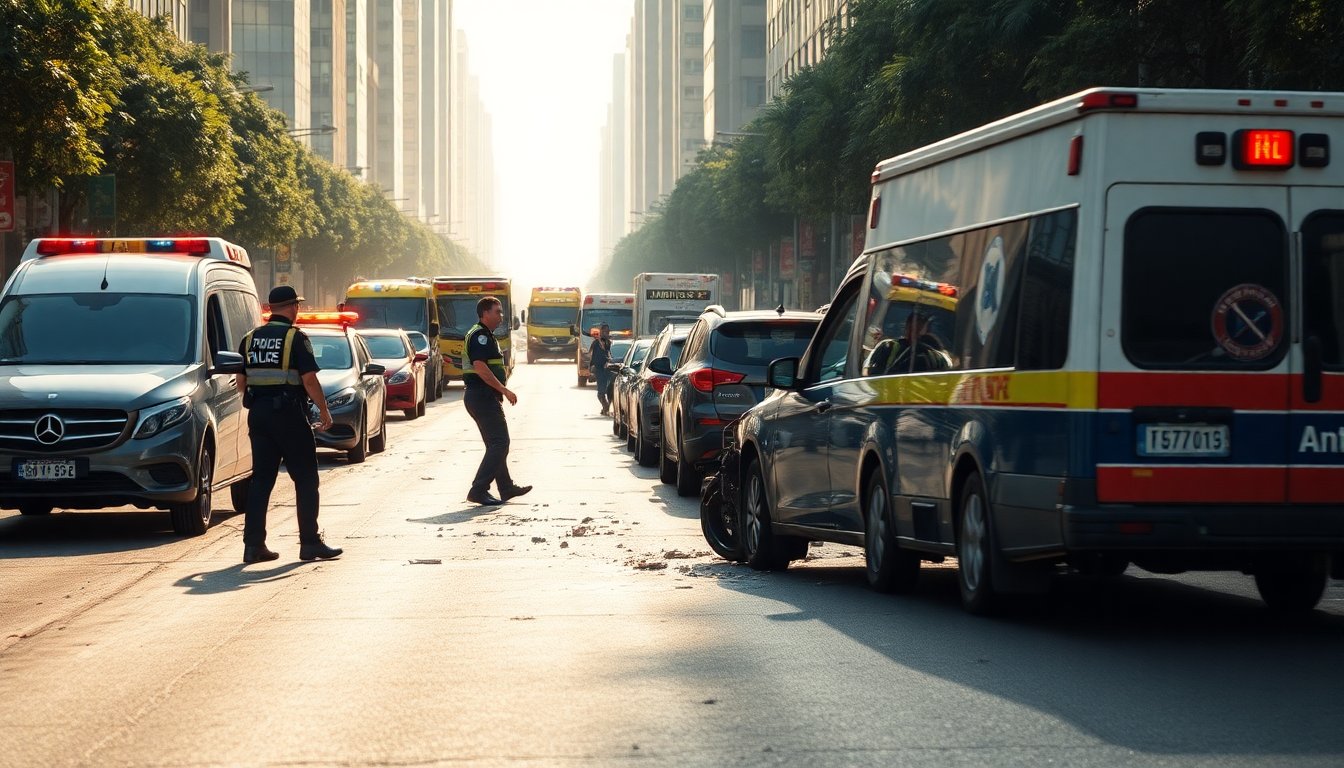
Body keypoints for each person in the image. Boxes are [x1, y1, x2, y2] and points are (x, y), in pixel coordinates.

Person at [235, 286, 343, 563]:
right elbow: (309, 380)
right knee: (306, 478)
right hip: (289, 415)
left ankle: (253, 546)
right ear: (293, 307)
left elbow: (241, 382)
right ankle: (309, 543)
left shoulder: (249, 338)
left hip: (258, 415)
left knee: (261, 480)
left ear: (271, 308)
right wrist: (324, 410)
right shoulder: (295, 338)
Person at [463, 296, 532, 506]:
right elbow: (480, 367)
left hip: (482, 396)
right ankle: (479, 489)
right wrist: (504, 389)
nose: (501, 316)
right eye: (497, 312)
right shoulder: (480, 336)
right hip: (481, 395)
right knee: (500, 442)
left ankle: (506, 487)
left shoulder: (485, 335)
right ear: (485, 313)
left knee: (496, 443)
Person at [589, 323, 614, 415]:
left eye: (607, 331)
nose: (605, 333)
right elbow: (592, 358)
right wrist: (591, 371)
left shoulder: (611, 343)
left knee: (610, 391)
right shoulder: (596, 343)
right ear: (600, 332)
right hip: (599, 370)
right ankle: (605, 407)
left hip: (610, 370)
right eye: (603, 331)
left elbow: (613, 355)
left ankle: (608, 407)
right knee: (601, 392)